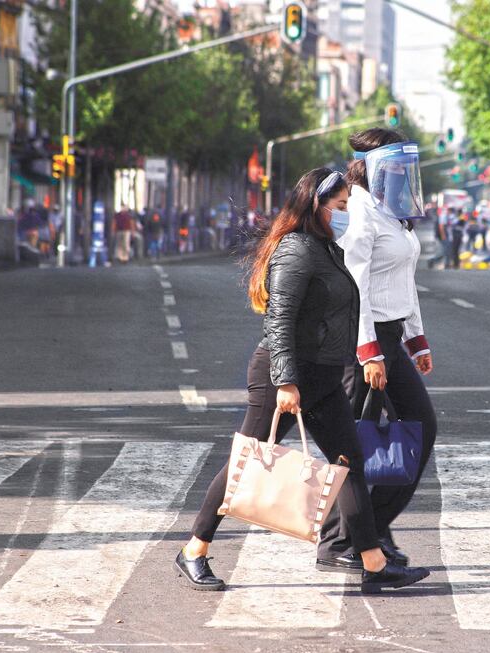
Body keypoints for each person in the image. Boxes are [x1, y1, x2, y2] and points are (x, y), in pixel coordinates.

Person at [175, 167, 430, 595]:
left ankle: (373, 563)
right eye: (341, 206)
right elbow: (279, 320)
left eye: (348, 205)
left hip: (324, 376)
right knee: (249, 460)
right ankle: (194, 550)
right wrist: (287, 382)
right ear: (316, 205)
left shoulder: (326, 248)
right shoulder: (296, 250)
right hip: (285, 376)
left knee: (349, 465)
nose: (347, 213)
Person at [316, 128, 437, 574]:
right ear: (373, 167)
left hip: (389, 339)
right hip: (360, 344)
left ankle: (374, 528)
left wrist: (415, 339)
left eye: (409, 167)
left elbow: (402, 279)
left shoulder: (391, 212)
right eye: (399, 166)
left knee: (419, 427)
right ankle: (337, 542)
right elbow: (356, 288)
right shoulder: (360, 212)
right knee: (352, 444)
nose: (406, 175)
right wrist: (369, 352)